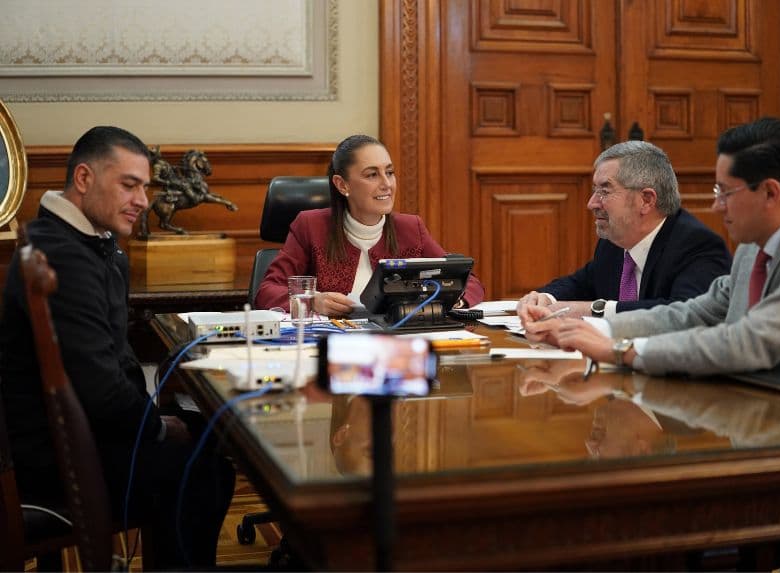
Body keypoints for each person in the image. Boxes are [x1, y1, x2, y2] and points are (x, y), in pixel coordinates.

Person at [0, 126, 234, 568]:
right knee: (203, 468)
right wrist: (160, 427)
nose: (144, 200)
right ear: (85, 179)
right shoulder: (65, 256)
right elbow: (102, 392)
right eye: (129, 185)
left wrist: (159, 422)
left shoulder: (84, 243)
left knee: (206, 438)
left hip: (78, 438)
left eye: (145, 187)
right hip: (57, 462)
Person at [523, 117, 780, 376]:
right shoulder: (752, 249)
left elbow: (751, 340)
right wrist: (588, 329)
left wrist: (620, 349)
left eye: (726, 193)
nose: (716, 207)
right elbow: (694, 313)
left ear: (771, 193)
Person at [255, 134, 484, 316]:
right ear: (342, 184)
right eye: (372, 175)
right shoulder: (311, 226)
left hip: (396, 346)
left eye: (390, 172)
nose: (387, 184)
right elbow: (266, 292)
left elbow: (467, 282)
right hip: (330, 347)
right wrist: (312, 302)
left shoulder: (411, 228)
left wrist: (455, 299)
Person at [517, 140, 731, 323]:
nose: (592, 203)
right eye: (595, 191)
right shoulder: (615, 241)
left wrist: (596, 310)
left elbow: (683, 316)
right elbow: (583, 282)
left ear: (646, 200)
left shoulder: (697, 246)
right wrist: (545, 299)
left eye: (604, 191)